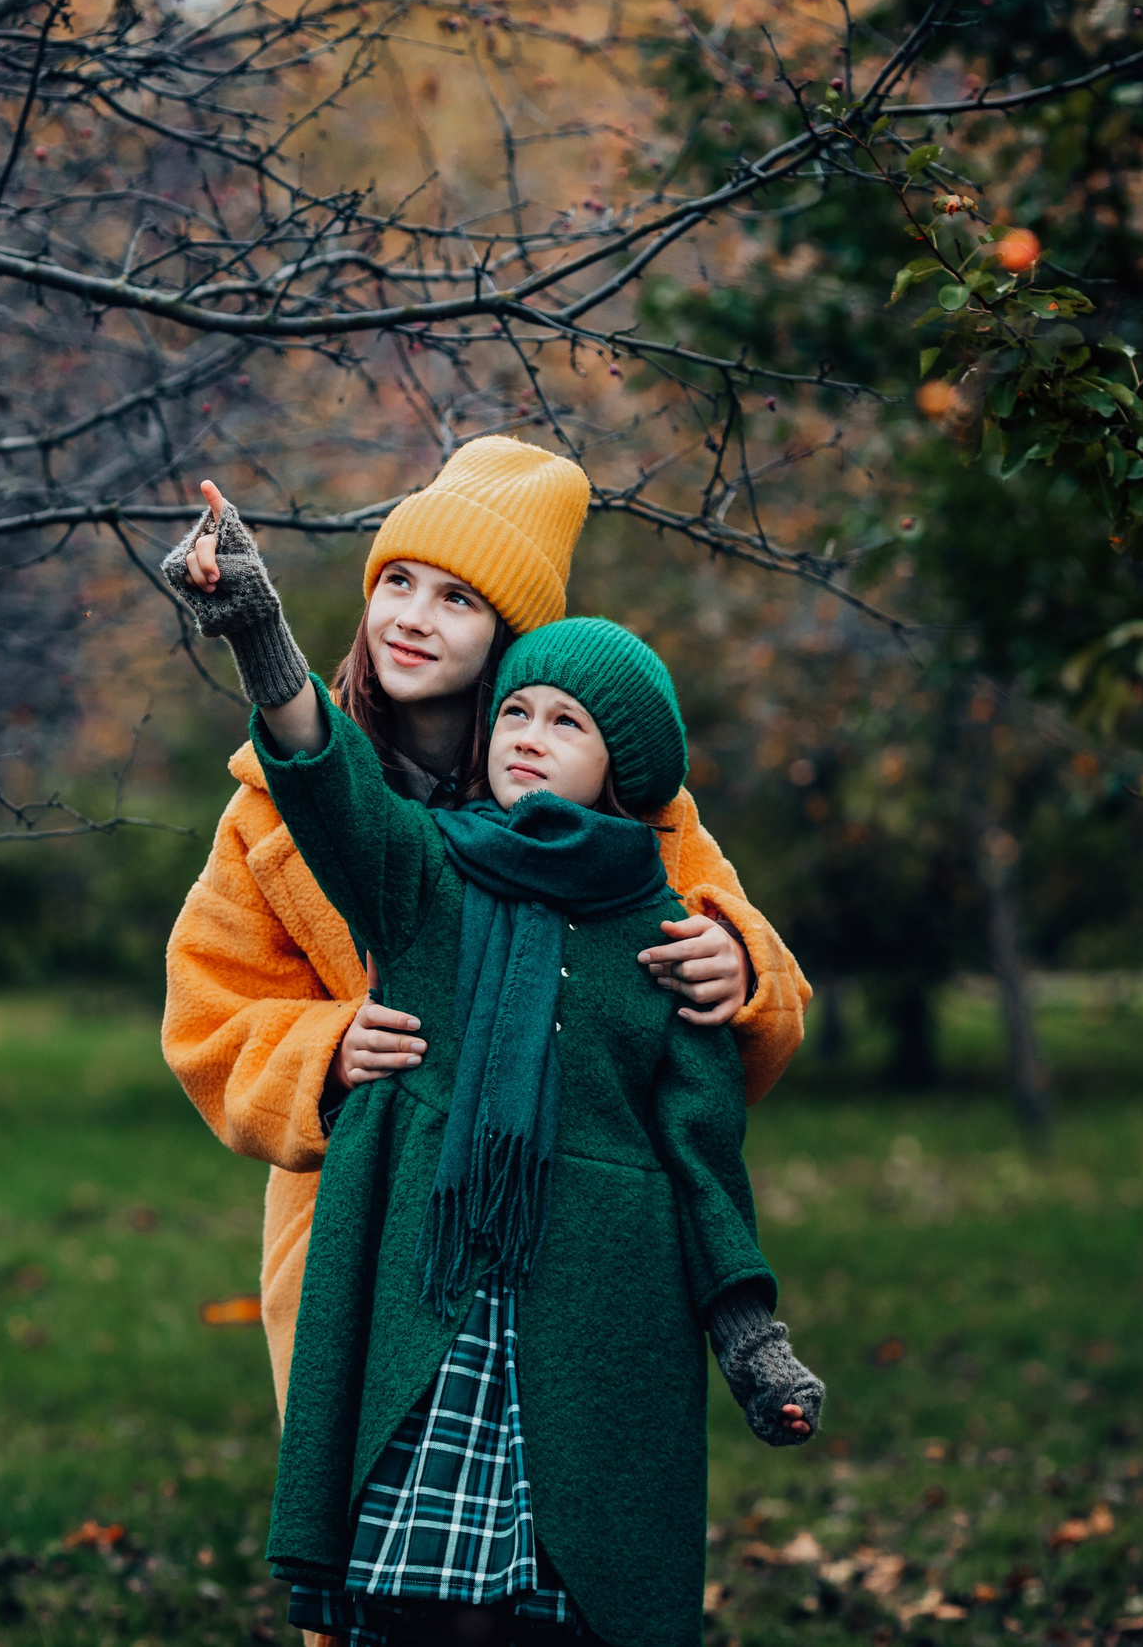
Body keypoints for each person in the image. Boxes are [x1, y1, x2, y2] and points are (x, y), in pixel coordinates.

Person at [162, 501, 824, 1647]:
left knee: (560, 1568)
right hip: (369, 1222)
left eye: (459, 598)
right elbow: (208, 1014)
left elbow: (714, 1024)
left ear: (512, 636)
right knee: (390, 1555)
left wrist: (743, 967)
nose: (413, 619)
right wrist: (324, 1052)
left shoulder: (637, 811)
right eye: (397, 583)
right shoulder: (305, 811)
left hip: (586, 1253)